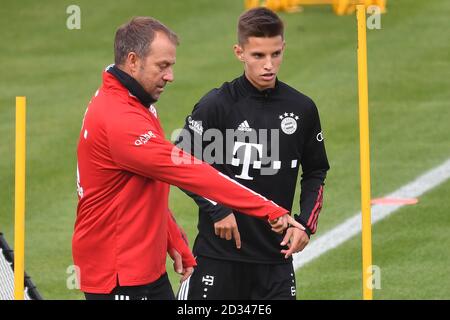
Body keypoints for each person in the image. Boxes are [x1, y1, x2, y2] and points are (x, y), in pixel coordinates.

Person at [73, 16, 301, 301]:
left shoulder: (133, 102)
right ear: (133, 61)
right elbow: (192, 172)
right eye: (162, 66)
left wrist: (173, 240)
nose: (170, 76)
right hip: (118, 275)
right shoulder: (120, 119)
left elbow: (139, 189)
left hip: (140, 268)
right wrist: (270, 209)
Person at [176, 7, 330, 300]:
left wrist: (306, 225)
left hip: (274, 263)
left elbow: (315, 171)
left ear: (283, 48)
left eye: (275, 54)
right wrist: (217, 208)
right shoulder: (216, 105)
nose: (269, 65)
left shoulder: (302, 109)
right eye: (258, 55)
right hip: (217, 259)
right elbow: (181, 162)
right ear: (239, 52)